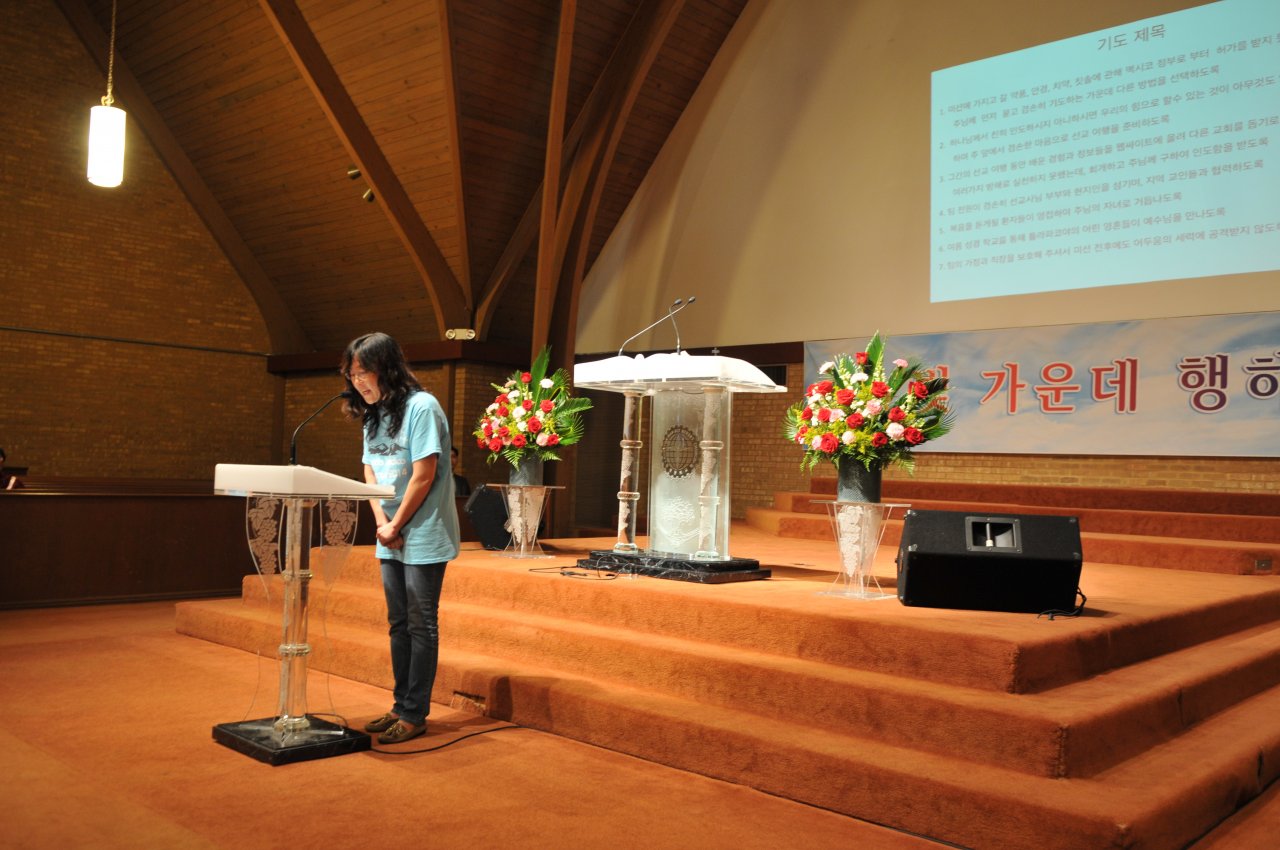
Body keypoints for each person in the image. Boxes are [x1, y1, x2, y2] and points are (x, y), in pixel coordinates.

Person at [341, 333, 460, 745]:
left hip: (424, 530)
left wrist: (397, 525)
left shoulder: (422, 407)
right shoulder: (374, 414)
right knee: (398, 624)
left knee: (421, 623)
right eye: (352, 374)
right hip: (388, 530)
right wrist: (382, 521)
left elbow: (424, 476)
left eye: (364, 372)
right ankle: (399, 705)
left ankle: (414, 712)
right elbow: (369, 471)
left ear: (387, 368)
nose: (357, 381)